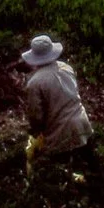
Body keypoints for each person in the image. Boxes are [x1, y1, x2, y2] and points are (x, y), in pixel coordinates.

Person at [20, 34, 93, 165]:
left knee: (58, 171)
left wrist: (36, 133)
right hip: (82, 124)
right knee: (87, 168)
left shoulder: (35, 83)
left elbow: (36, 116)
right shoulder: (66, 68)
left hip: (60, 134)